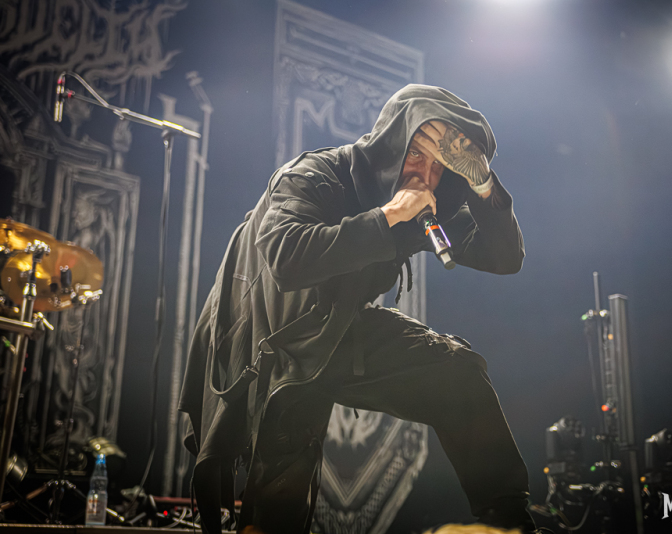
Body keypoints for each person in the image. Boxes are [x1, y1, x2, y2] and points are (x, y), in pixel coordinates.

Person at [179, 84, 536, 534]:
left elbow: (505, 258)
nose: (425, 175)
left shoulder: (430, 206)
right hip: (272, 336)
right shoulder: (316, 173)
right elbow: (287, 260)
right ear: (390, 143)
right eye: (416, 154)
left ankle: (508, 522)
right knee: (279, 499)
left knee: (457, 372)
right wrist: (388, 216)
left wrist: (482, 184)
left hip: (341, 330)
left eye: (440, 165)